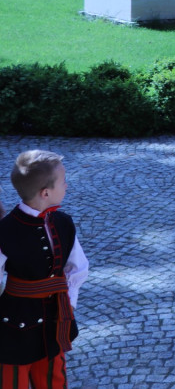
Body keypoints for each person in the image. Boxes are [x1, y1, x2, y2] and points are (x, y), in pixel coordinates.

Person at [0, 150, 89, 387]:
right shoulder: (5, 230)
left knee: (53, 381)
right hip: (12, 327)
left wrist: (69, 303)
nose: (67, 186)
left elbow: (77, 268)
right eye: (63, 181)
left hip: (53, 322)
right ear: (46, 192)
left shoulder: (63, 223)